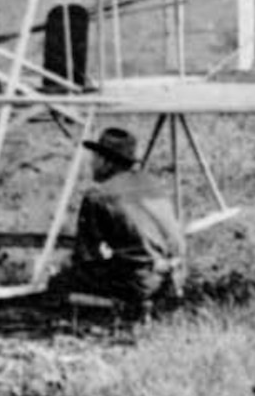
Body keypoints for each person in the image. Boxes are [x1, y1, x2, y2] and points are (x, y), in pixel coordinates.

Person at [64, 126, 187, 311]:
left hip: (139, 281)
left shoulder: (98, 194)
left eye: (95, 158)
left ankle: (122, 308)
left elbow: (86, 254)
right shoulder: (153, 183)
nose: (91, 163)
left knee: (61, 281)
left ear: (106, 162)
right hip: (176, 275)